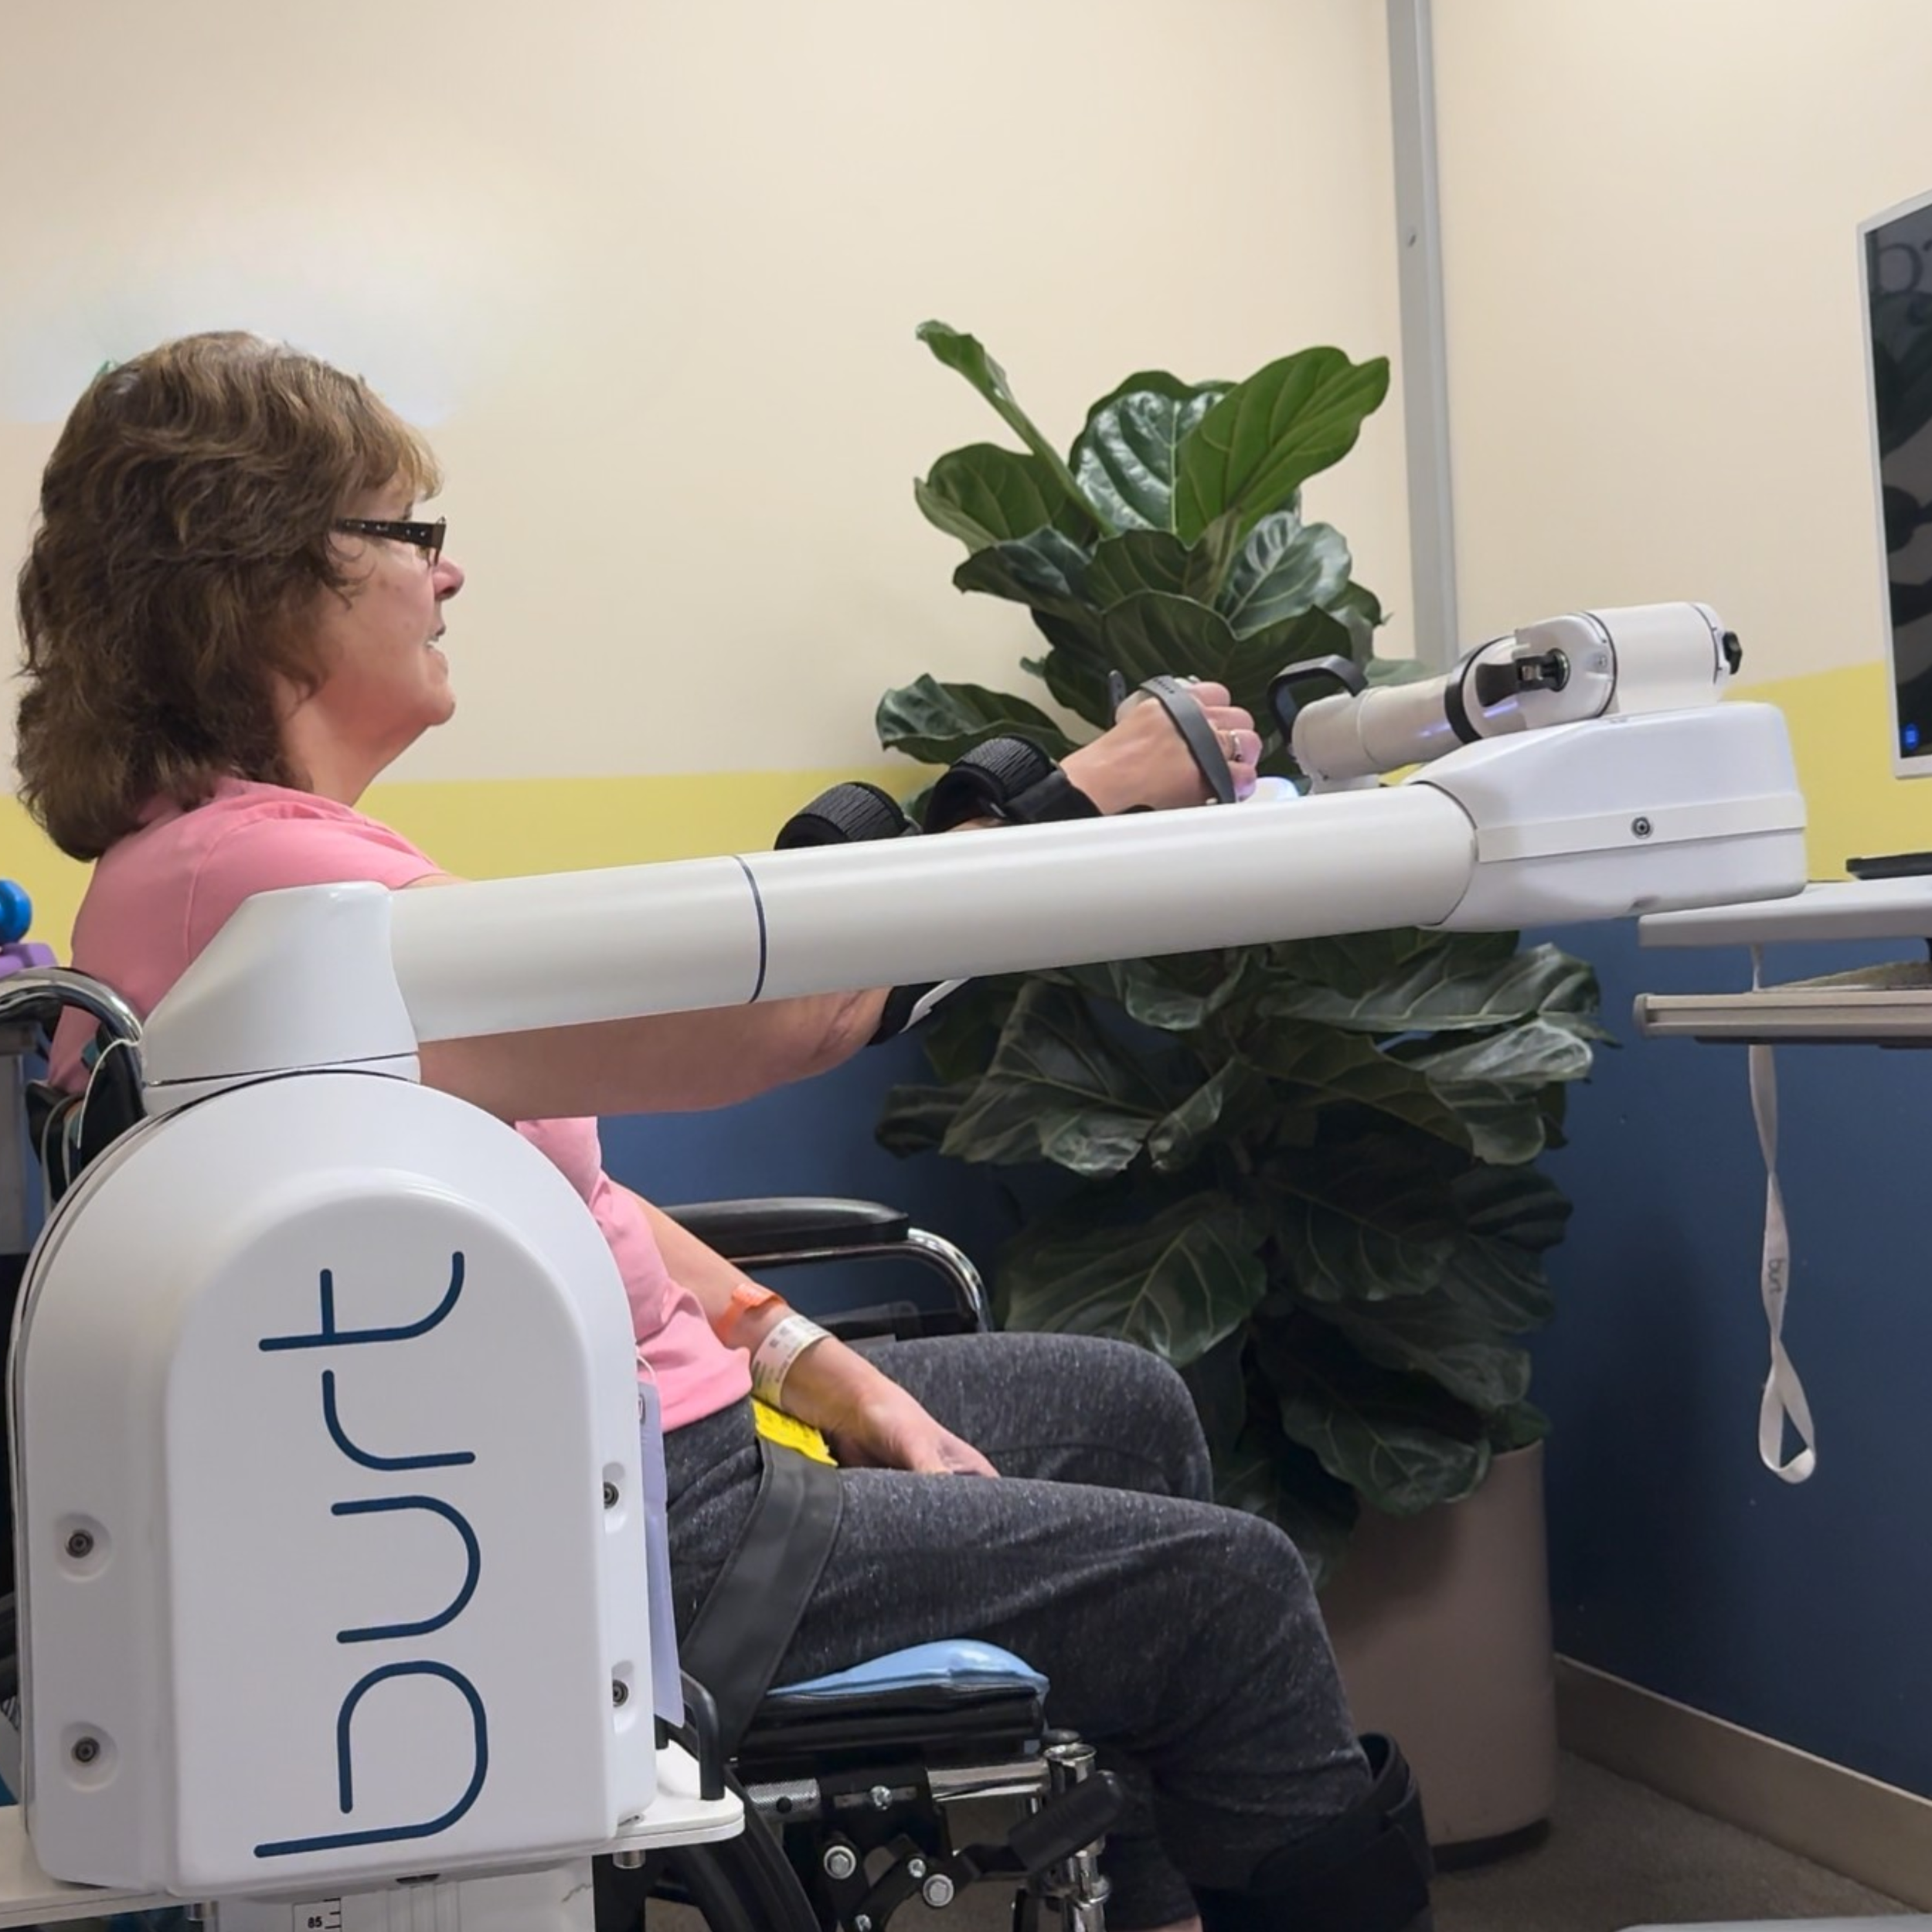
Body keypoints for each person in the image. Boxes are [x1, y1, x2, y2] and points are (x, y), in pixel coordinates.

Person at [12, 333, 1433, 1932]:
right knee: (1231, 1598)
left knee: (1109, 1402)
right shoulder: (277, 893)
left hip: (642, 1442)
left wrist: (811, 1358)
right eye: (410, 533)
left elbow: (572, 1173)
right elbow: (788, 1020)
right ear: (262, 576)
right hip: (641, 1523)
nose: (450, 572)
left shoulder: (236, 865)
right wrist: (1087, 789)